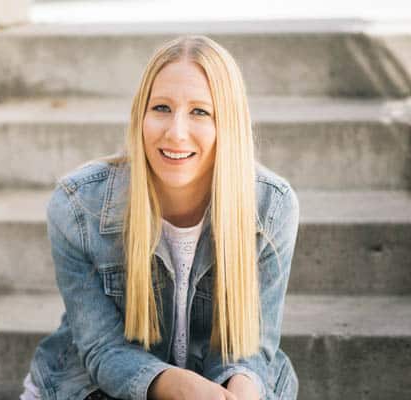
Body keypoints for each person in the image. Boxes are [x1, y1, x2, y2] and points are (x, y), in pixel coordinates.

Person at [19, 35, 300, 400]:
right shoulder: (77, 208)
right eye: (161, 108)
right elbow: (102, 349)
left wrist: (241, 389)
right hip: (94, 386)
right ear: (141, 115)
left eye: (200, 111)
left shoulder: (271, 207)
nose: (176, 132)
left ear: (227, 124)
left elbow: (250, 345)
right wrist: (177, 387)